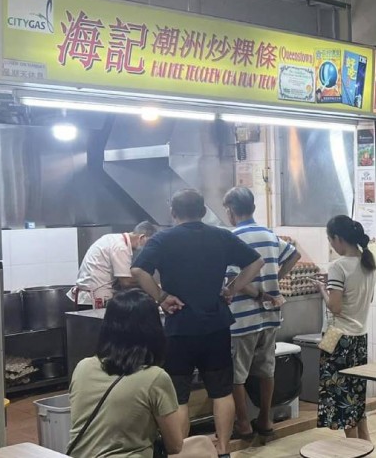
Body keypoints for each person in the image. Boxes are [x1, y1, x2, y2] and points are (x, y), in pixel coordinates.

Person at [131, 189, 264, 457]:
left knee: (179, 397)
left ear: (173, 213)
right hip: (216, 326)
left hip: (179, 327)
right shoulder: (221, 236)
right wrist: (232, 288)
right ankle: (224, 450)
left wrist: (161, 297)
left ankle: (180, 452)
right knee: (222, 392)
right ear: (203, 212)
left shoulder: (163, 239)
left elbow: (137, 270)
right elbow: (256, 261)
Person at [68, 289, 218, 458]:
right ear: (153, 330)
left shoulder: (83, 367)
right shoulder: (154, 377)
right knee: (203, 446)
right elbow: (175, 446)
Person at [222, 187, 300, 440]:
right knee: (267, 370)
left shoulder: (233, 237)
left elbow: (236, 279)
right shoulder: (268, 234)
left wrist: (257, 292)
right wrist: (274, 280)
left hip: (242, 317)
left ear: (232, 210)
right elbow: (294, 254)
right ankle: (265, 419)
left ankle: (243, 424)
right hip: (270, 317)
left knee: (237, 375)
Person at [314, 215, 375, 440]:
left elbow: (336, 307)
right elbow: (363, 300)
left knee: (341, 396)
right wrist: (332, 281)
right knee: (356, 394)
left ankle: (353, 448)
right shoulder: (368, 262)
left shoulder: (338, 266)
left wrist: (323, 288)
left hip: (337, 337)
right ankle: (365, 442)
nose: (331, 245)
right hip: (359, 337)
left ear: (338, 238)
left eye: (330, 240)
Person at [69, 221, 158, 308]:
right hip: (95, 300)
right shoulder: (121, 247)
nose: (148, 248)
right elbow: (126, 282)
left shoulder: (113, 239)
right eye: (149, 243)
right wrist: (150, 284)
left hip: (86, 297)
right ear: (142, 237)